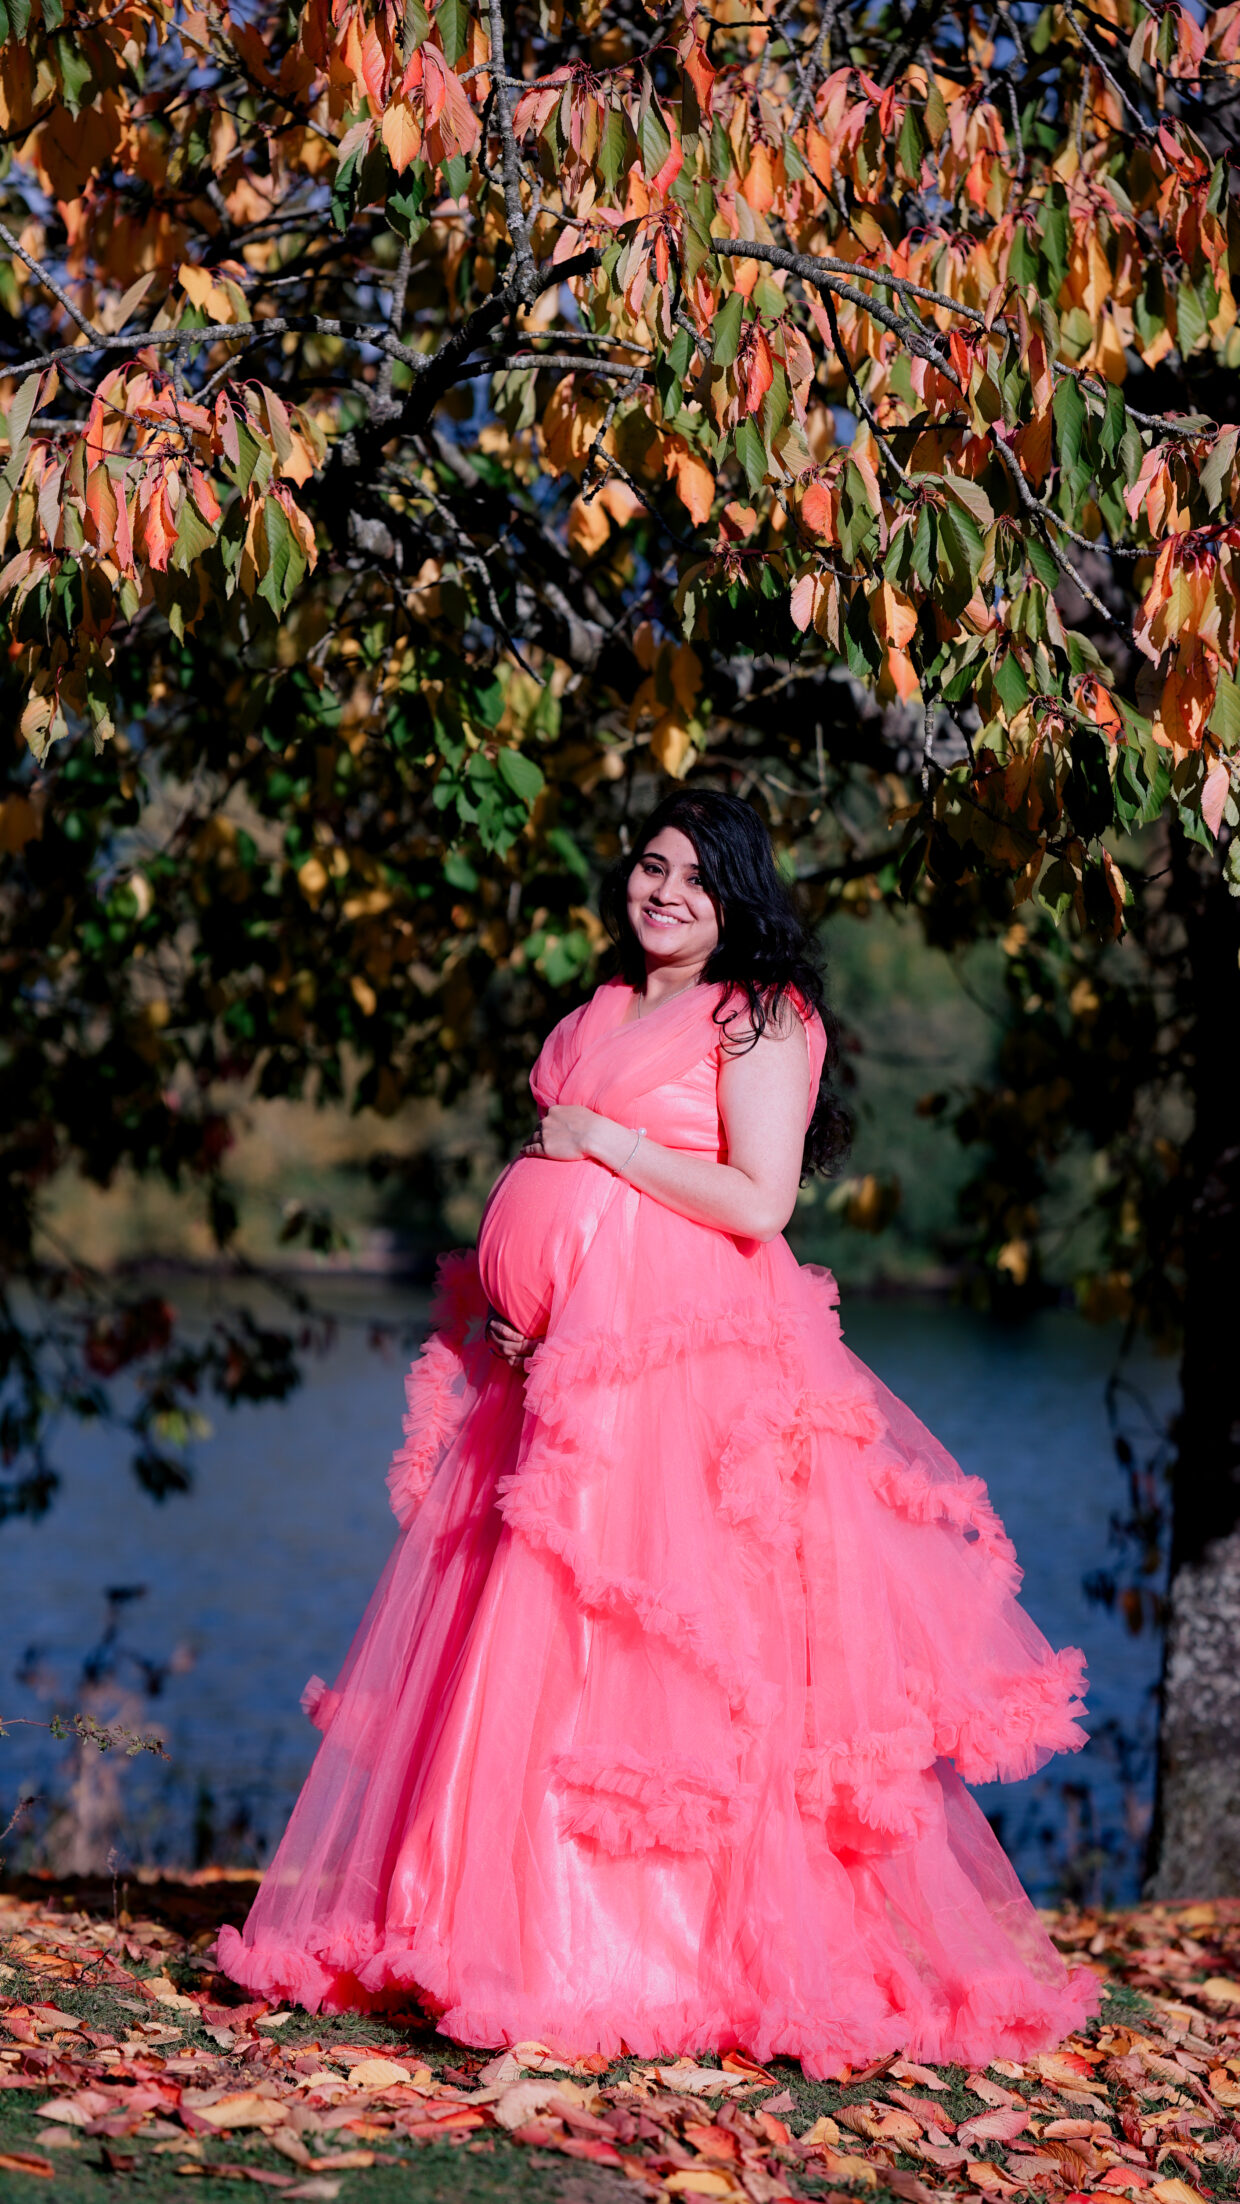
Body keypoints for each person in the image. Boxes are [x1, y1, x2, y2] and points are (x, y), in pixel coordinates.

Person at [218, 789, 1097, 2074]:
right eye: (647, 866)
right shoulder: (609, 998)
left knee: (654, 1643)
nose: (663, 891)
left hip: (685, 1371)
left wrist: (608, 1145)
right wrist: (542, 1305)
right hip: (563, 1368)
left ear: (737, 892)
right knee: (535, 1639)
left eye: (692, 875)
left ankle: (641, 1955)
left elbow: (757, 1197)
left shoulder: (760, 1015)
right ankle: (484, 1928)